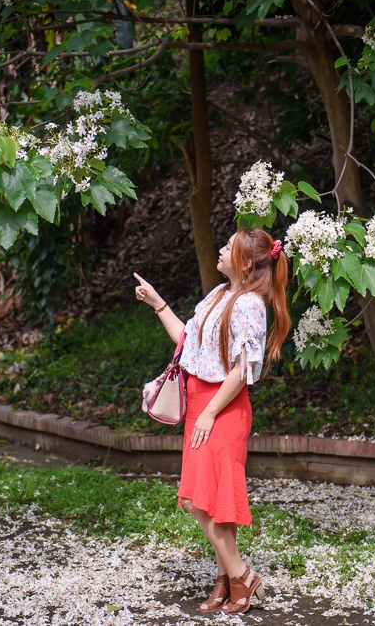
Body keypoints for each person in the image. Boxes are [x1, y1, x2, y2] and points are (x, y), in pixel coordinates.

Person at [133, 228, 291, 614]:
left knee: (197, 499)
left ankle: (241, 576)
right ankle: (226, 582)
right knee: (209, 499)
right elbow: (188, 342)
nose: (219, 250)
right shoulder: (219, 295)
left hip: (223, 407)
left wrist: (209, 412)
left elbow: (243, 370)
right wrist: (158, 304)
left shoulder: (250, 305)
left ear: (245, 261)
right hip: (204, 404)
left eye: (227, 247)